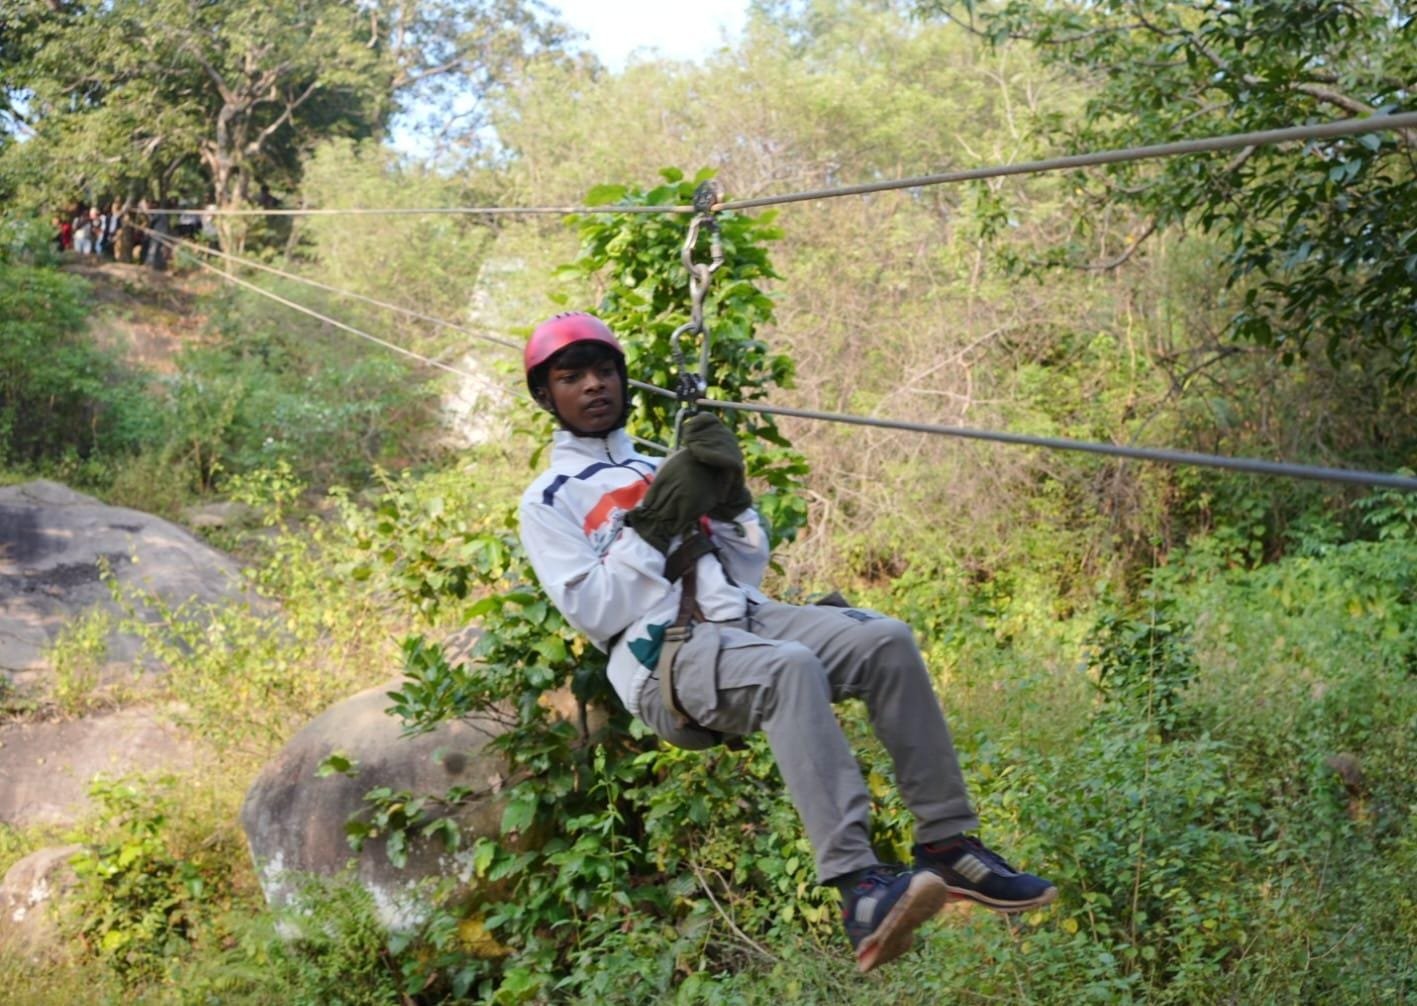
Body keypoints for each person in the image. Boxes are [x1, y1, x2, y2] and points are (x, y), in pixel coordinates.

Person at [517, 312, 1056, 974]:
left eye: (605, 371)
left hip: (744, 618)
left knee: (885, 641)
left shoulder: (662, 464)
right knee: (789, 668)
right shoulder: (547, 500)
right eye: (571, 378)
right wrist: (653, 525)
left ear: (624, 381)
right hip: (664, 657)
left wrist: (732, 500)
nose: (594, 386)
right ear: (546, 396)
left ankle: (948, 845)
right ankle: (858, 887)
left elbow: (745, 568)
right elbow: (596, 610)